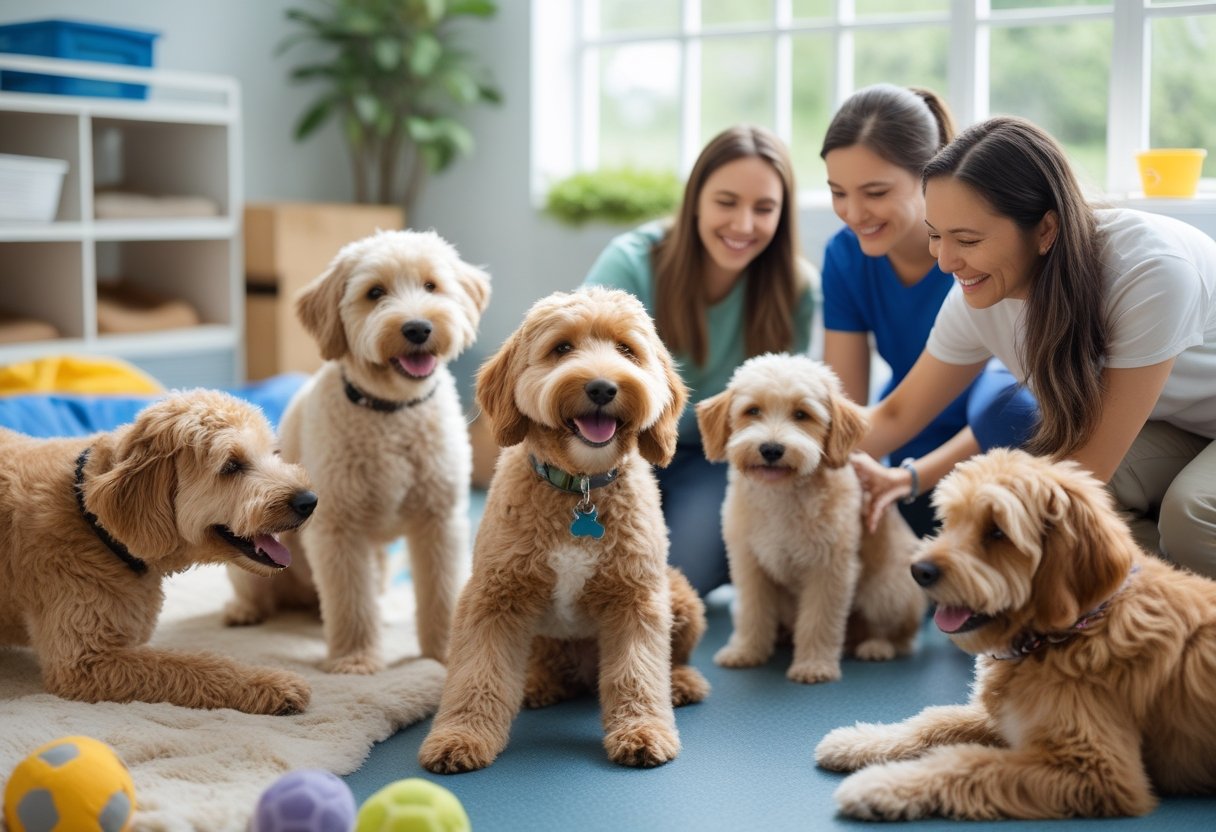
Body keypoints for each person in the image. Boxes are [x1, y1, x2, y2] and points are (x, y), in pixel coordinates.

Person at [854, 115, 1216, 578]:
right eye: (935, 235)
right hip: (1183, 424)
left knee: (1188, 513)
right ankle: (1149, 612)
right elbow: (895, 415)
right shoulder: (978, 295)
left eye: (967, 240)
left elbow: (1085, 470)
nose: (945, 262)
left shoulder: (1150, 271)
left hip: (1189, 424)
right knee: (1072, 494)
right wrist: (781, 448)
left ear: (1046, 230)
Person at [582, 124, 817, 595]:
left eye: (764, 208)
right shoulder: (631, 262)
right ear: (696, 201)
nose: (744, 225)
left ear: (782, 214)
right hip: (619, 446)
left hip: (713, 458)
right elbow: (582, 369)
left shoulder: (796, 287)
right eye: (726, 202)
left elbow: (781, 414)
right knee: (581, 572)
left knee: (675, 583)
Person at [820, 83, 1037, 536]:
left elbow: (1013, 413)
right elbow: (849, 409)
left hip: (995, 433)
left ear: (930, 176)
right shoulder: (845, 256)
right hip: (908, 426)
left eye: (875, 192)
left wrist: (915, 476)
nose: (853, 213)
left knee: (1009, 409)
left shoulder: (982, 253)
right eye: (838, 192)